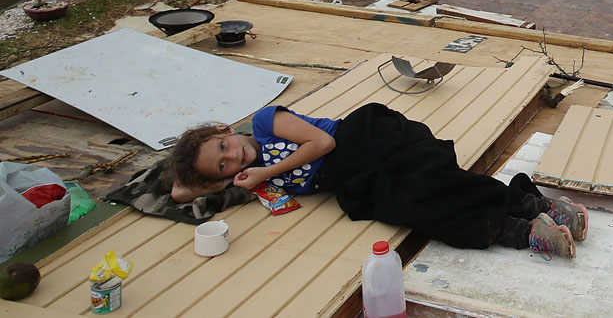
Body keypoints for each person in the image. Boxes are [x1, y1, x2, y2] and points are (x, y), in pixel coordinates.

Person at [168, 102, 588, 261]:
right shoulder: (245, 178)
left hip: (364, 140)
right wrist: (215, 179)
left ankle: (535, 206)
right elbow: (181, 190)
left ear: (227, 129)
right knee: (416, 207)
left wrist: (265, 171)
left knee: (431, 179)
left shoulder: (263, 125)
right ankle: (524, 233)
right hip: (356, 183)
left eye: (224, 147)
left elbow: (322, 141)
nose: (231, 158)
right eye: (221, 166)